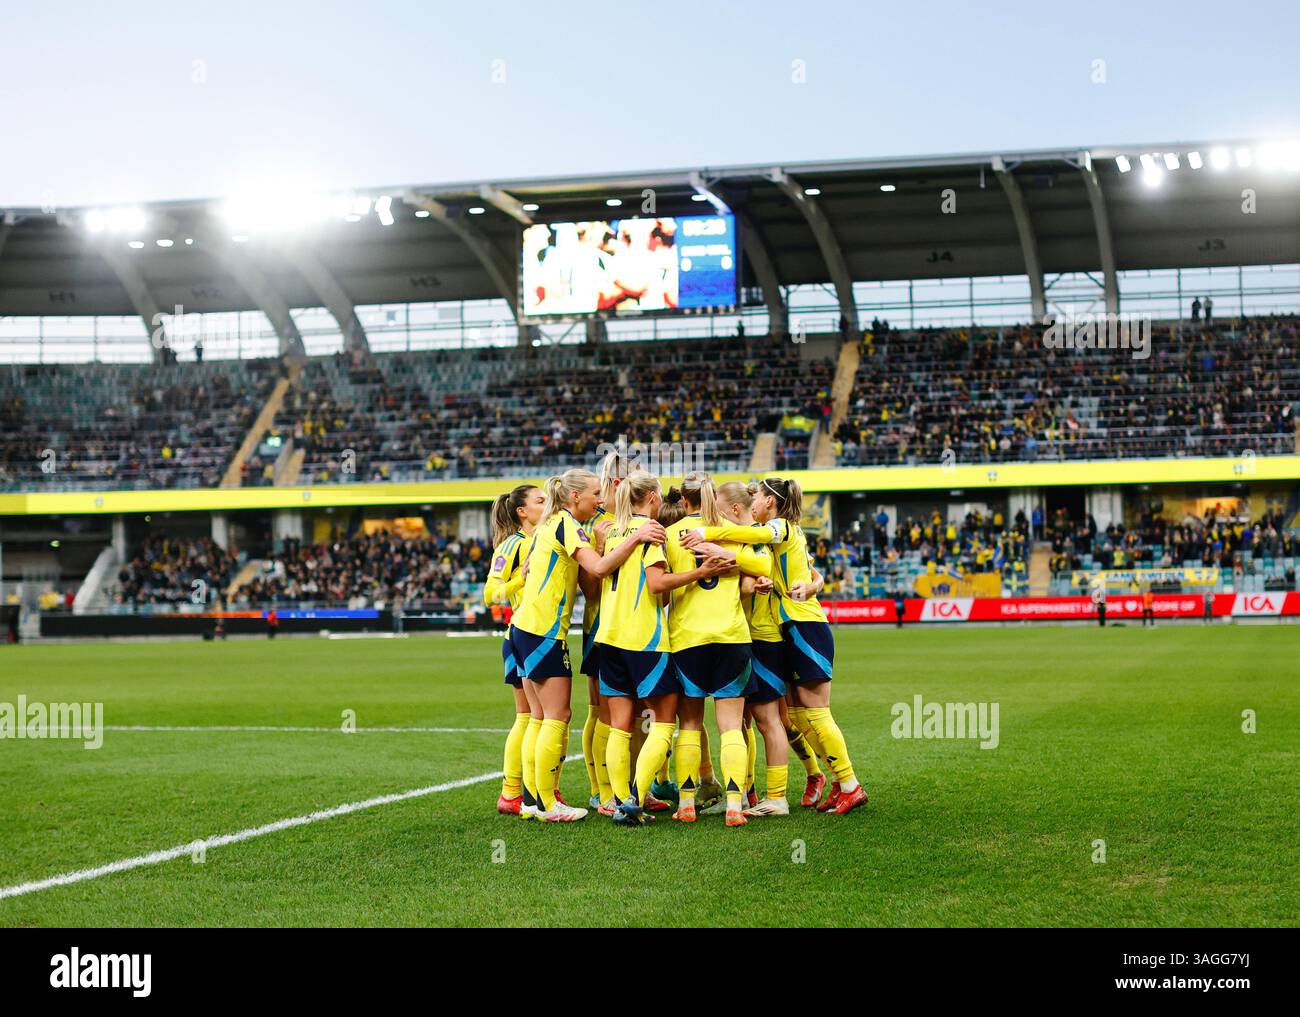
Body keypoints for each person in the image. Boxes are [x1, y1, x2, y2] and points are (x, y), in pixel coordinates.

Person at [682, 477, 868, 815]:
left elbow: (759, 542)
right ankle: (830, 781)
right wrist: (813, 584)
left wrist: (711, 537)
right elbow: (811, 572)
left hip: (799, 625)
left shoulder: (777, 528)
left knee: (811, 712)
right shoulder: (778, 531)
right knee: (793, 713)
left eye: (760, 497)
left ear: (769, 501)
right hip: (783, 626)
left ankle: (846, 783)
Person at [509, 469, 665, 822]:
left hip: (524, 627)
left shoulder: (549, 524)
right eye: (596, 492)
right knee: (557, 716)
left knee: (540, 717)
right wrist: (636, 537)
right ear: (574, 496)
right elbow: (599, 567)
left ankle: (533, 802)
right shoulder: (566, 524)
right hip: (542, 631)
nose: (600, 499)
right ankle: (548, 804)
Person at [594, 471, 732, 826]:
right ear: (653, 498)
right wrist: (697, 574)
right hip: (644, 639)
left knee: (620, 726)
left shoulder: (612, 534)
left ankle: (616, 798)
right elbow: (657, 585)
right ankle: (635, 801)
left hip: (608, 638)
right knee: (664, 723)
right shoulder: (651, 535)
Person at [661, 472, 771, 826]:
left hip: (687, 638)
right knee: (730, 727)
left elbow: (660, 587)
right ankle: (736, 806)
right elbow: (763, 567)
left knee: (690, 724)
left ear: (684, 500)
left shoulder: (670, 534)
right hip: (731, 637)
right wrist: (731, 558)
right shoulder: (728, 531)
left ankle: (687, 803)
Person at [483, 483, 545, 816]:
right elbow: (490, 595)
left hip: (537, 634)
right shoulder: (513, 544)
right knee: (529, 716)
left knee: (537, 716)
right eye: (540, 500)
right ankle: (512, 792)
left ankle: (533, 788)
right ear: (522, 512)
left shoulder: (543, 539)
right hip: (521, 636)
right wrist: (521, 578)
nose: (546, 504)